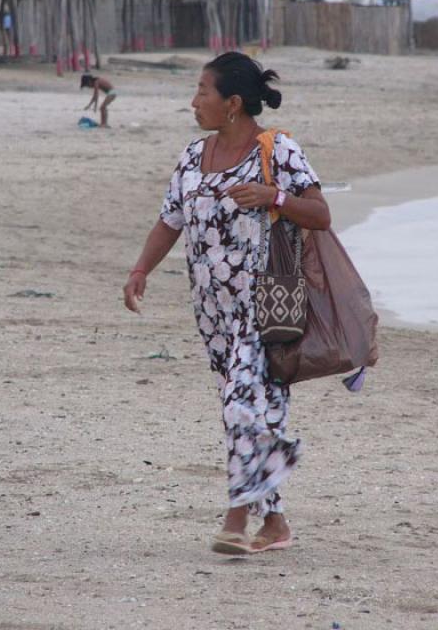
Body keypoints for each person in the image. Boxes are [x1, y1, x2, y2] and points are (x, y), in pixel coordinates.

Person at [122, 52, 331, 555]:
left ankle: (236, 519)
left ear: (233, 103)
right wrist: (140, 270)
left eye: (203, 92)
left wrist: (273, 198)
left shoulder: (278, 150)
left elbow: (320, 214)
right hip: (211, 309)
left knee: (244, 406)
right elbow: (170, 220)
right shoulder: (193, 155)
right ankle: (275, 521)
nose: (194, 102)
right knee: (251, 411)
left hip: (267, 304)